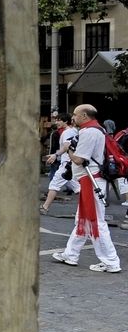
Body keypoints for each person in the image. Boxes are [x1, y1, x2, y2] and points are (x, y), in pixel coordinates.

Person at [52, 105, 121, 273]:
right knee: (82, 220)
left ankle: (111, 261)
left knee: (95, 222)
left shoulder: (89, 132)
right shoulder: (96, 130)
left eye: (75, 115)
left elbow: (79, 160)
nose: (73, 117)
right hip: (91, 181)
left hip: (92, 181)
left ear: (84, 115)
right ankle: (71, 254)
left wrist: (69, 149)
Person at [40, 114, 80, 214]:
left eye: (58, 120)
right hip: (71, 163)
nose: (56, 122)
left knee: (54, 184)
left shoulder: (67, 132)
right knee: (78, 188)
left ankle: (45, 207)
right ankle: (88, 209)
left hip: (67, 164)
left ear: (65, 121)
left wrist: (55, 155)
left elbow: (67, 146)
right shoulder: (74, 131)